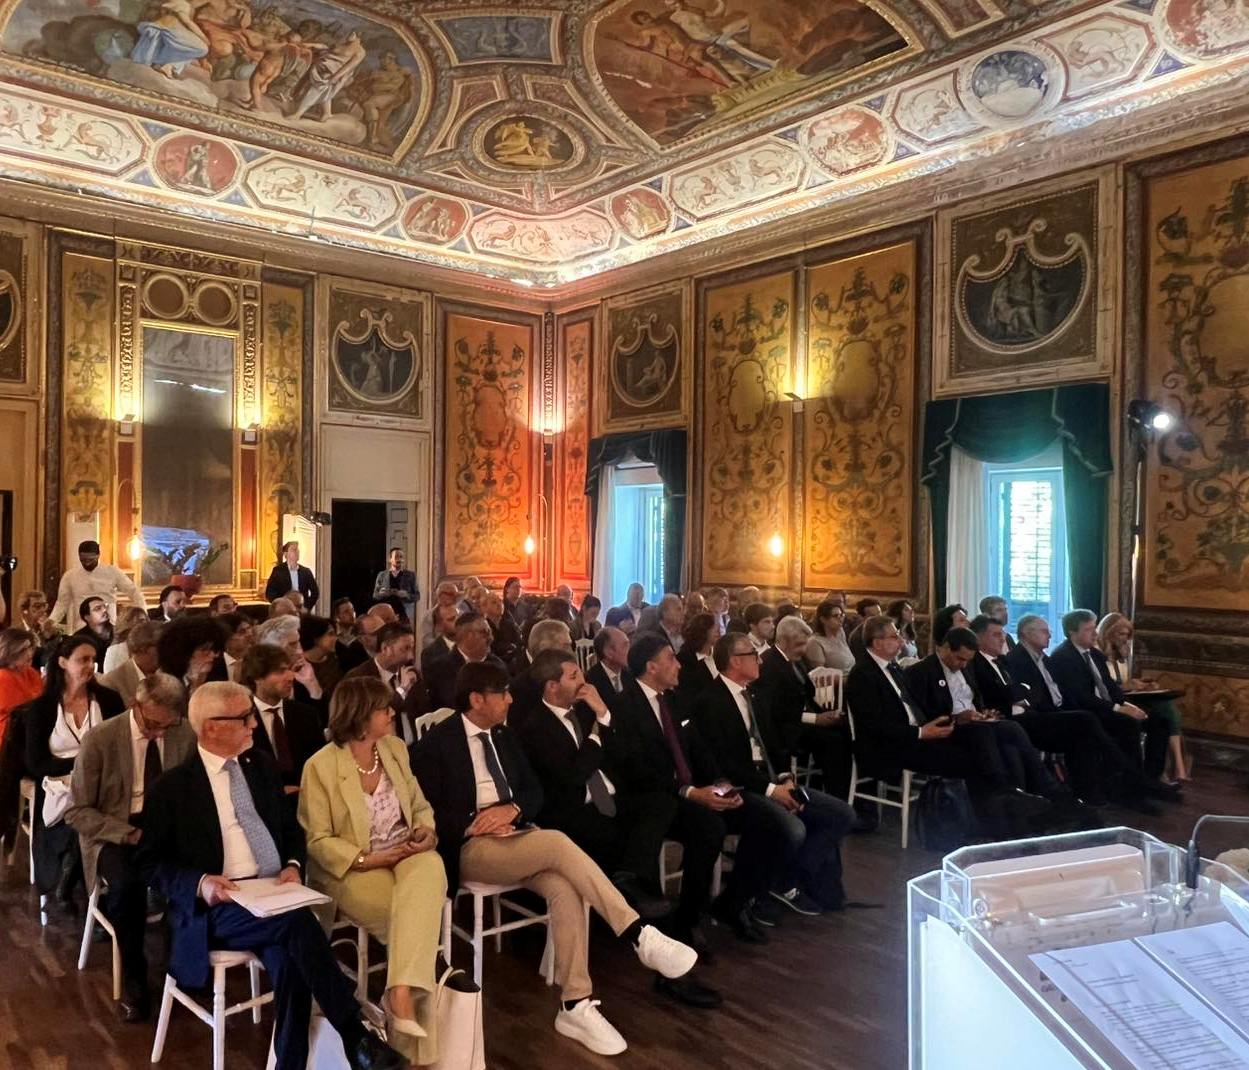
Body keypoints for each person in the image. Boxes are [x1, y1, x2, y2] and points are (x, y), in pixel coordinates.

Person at [410, 661, 698, 1056]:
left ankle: (575, 1004)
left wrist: (512, 810)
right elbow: (424, 810)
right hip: (471, 846)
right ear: (476, 699)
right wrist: (474, 821)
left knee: (564, 886)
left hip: (517, 836)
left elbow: (534, 793)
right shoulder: (438, 743)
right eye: (502, 694)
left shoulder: (504, 736)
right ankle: (637, 932)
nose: (511, 700)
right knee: (559, 843)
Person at [136, 681, 407, 1070]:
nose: (254, 725)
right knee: (297, 926)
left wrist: (293, 865)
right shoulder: (173, 787)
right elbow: (148, 864)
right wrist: (202, 883)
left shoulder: (260, 766)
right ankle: (355, 1035)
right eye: (245, 718)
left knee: (291, 957)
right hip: (218, 904)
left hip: (273, 893)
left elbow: (290, 828)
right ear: (211, 727)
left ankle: (295, 1063)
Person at [299, 677, 461, 1064]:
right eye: (383, 708)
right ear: (359, 716)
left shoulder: (394, 749)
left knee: (431, 863)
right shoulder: (320, 766)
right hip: (354, 868)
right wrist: (370, 859)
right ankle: (414, 1047)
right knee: (414, 924)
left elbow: (419, 806)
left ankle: (398, 996)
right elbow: (317, 841)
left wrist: (425, 830)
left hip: (407, 854)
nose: (392, 713)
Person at [515, 651, 684, 938]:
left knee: (660, 803)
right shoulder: (534, 727)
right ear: (552, 686)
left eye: (581, 673)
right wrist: (595, 738)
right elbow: (573, 775)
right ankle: (638, 914)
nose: (584, 682)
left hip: (610, 796)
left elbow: (621, 754)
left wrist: (603, 714)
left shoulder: (586, 711)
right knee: (617, 832)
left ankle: (629, 878)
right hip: (572, 808)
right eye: (574, 676)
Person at [609, 634, 759, 945]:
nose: (678, 664)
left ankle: (736, 902)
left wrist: (721, 785)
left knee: (762, 820)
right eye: (670, 658)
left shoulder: (676, 699)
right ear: (651, 667)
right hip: (653, 799)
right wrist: (690, 792)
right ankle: (687, 918)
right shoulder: (624, 706)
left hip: (689, 791)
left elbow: (699, 749)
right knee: (710, 828)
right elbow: (636, 769)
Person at [697, 633, 856, 915]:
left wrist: (785, 777)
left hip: (770, 780)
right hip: (738, 788)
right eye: (752, 655)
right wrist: (772, 791)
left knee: (842, 814)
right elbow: (725, 765)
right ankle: (756, 892)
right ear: (735, 661)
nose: (759, 660)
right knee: (792, 828)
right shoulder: (710, 701)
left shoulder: (754, 695)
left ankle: (786, 879)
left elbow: (774, 744)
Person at [66, 672, 193, 1023]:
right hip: (115, 828)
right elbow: (77, 811)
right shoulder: (101, 739)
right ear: (136, 706)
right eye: (153, 724)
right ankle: (135, 979)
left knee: (194, 876)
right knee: (126, 888)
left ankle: (184, 967)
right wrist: (128, 834)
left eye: (168, 725)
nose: (159, 733)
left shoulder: (183, 733)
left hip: (165, 826)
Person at [844, 616, 1030, 839]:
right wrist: (922, 732)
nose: (901, 641)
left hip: (916, 736)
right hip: (890, 746)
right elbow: (874, 726)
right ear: (877, 643)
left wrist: (945, 721)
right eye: (894, 636)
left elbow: (915, 708)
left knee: (983, 735)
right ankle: (991, 819)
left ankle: (1004, 808)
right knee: (971, 758)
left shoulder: (893, 669)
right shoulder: (862, 674)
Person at [905, 628, 1078, 817]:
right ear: (946, 648)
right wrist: (957, 717)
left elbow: (975, 698)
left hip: (974, 722)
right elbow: (923, 713)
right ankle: (1002, 788)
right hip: (949, 728)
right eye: (959, 659)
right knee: (985, 733)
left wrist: (982, 712)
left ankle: (1034, 792)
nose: (963, 664)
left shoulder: (967, 668)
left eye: (967, 660)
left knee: (1011, 730)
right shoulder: (921, 671)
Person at [24, 634, 126, 907]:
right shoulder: (42, 708)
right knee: (79, 819)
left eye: (93, 660)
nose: (90, 666)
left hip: (105, 783)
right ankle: (84, 883)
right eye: (83, 660)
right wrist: (82, 763)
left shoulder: (109, 700)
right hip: (60, 786)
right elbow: (36, 762)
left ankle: (83, 879)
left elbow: (123, 746)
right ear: (62, 663)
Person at [969, 613, 1114, 805]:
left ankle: (1084, 796)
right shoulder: (996, 661)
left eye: (1002, 634)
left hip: (1035, 713)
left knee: (1084, 735)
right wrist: (1020, 699)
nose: (1003, 639)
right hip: (1022, 719)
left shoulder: (1008, 661)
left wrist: (1021, 696)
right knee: (1086, 719)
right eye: (996, 634)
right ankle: (1112, 771)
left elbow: (1023, 691)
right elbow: (1007, 695)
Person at [1048, 609, 1176, 795]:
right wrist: (1118, 709)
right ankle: (1132, 785)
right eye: (1088, 630)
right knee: (1128, 724)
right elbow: (1081, 697)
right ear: (1072, 632)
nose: (1095, 634)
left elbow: (1110, 687)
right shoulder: (1062, 657)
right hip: (1086, 712)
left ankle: (1151, 778)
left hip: (1105, 707)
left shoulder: (1094, 654)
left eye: (1094, 628)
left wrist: (1127, 705)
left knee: (1159, 720)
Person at [760, 615, 852, 799]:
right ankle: (836, 797)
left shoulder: (798, 660)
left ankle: (841, 791)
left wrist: (827, 714)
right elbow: (774, 711)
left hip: (801, 720)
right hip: (783, 729)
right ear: (783, 641)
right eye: (799, 645)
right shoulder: (768, 664)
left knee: (846, 732)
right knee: (832, 742)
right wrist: (815, 719)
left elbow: (808, 694)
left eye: (805, 644)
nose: (804, 650)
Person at [1098, 611, 1187, 782]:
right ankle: (1171, 768)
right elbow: (1104, 687)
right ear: (1109, 632)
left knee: (1167, 710)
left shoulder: (1121, 654)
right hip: (1112, 702)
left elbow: (1122, 682)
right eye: (1121, 634)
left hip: (1127, 697)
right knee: (1162, 713)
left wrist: (1140, 684)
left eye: (1127, 635)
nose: (1125, 639)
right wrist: (1124, 687)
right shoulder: (1096, 654)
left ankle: (1161, 771)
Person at [241, 644, 325, 800]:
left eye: (289, 669)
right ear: (257, 677)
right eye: (280, 671)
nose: (290, 677)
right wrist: (276, 791)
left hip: (308, 799)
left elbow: (321, 762)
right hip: (264, 802)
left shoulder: (306, 714)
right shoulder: (241, 719)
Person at [344, 621, 427, 744]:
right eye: (405, 649)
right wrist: (402, 690)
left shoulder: (411, 674)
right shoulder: (359, 679)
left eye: (412, 648)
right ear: (385, 648)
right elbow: (374, 715)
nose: (411, 656)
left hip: (415, 748)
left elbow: (425, 713)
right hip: (377, 747)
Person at [49, 540, 147, 627]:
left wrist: (142, 614)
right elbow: (62, 603)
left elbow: (134, 592)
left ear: (98, 556)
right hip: (81, 628)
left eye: (91, 560)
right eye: (83, 560)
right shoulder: (70, 576)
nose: (87, 563)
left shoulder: (112, 572)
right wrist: (52, 621)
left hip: (109, 626)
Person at [424, 611, 505, 712]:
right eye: (485, 632)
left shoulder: (498, 666)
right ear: (467, 636)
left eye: (490, 632)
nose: (491, 638)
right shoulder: (439, 669)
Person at [98, 620, 162, 708]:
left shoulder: (170, 673)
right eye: (162, 645)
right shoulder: (111, 683)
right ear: (143, 649)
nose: (168, 650)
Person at [157, 614, 225, 694]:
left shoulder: (218, 674)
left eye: (213, 649)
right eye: (205, 650)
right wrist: (195, 685)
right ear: (185, 653)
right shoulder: (165, 683)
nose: (213, 655)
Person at [0, 627, 42, 752]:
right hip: (9, 739)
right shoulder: (3, 677)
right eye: (24, 649)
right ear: (9, 652)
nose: (30, 653)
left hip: (29, 731)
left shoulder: (30, 672)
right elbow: (19, 711)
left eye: (30, 647)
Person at [675, 612, 719, 703]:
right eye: (713, 627)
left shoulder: (719, 654)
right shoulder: (685, 660)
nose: (717, 631)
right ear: (703, 631)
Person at [264, 541, 320, 611]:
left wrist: (307, 607)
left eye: (298, 550)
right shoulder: (278, 571)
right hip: (284, 609)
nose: (297, 552)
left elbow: (315, 592)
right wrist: (280, 605)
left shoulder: (306, 571)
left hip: (301, 609)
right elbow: (269, 593)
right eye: (294, 550)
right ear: (286, 554)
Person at [299, 615, 343, 699]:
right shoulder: (300, 665)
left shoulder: (336, 658)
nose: (336, 638)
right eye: (330, 634)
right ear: (316, 638)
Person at [804, 600, 855, 672]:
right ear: (823, 620)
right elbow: (819, 673)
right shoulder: (814, 642)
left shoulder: (840, 633)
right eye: (836, 616)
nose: (840, 619)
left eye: (841, 615)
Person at [373, 548, 419, 624]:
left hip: (403, 615)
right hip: (386, 616)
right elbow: (375, 595)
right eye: (396, 556)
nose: (399, 559)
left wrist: (406, 595)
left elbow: (417, 596)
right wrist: (382, 594)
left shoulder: (411, 575)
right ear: (390, 559)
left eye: (401, 557)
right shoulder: (382, 575)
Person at [103, 606, 152, 674]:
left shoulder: (150, 648)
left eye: (143, 621)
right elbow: (110, 677)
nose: (141, 626)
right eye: (137, 622)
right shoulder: (115, 651)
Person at [586, 626, 630, 699]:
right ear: (609, 652)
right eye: (625, 646)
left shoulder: (631, 674)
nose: (630, 650)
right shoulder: (591, 682)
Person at [76, 595, 115, 670]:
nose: (104, 610)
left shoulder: (120, 632)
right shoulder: (79, 638)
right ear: (87, 617)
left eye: (105, 606)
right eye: (98, 608)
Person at [420, 603, 458, 678]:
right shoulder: (430, 654)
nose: (458, 622)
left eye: (459, 616)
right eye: (451, 619)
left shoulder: (472, 644)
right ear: (439, 626)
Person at [218, 611, 254, 683]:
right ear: (226, 637)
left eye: (250, 629)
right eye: (242, 632)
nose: (249, 635)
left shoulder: (257, 660)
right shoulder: (214, 664)